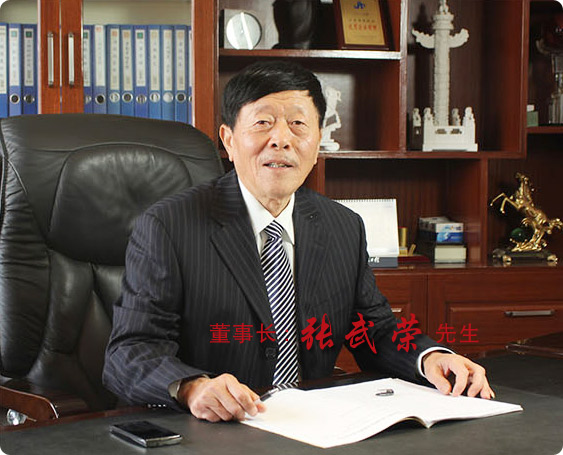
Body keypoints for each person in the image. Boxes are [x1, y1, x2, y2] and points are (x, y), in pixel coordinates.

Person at [103, 61, 493, 423]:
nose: (281, 140)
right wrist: (192, 387)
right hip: (211, 430)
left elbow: (373, 329)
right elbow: (129, 353)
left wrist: (430, 357)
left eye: (297, 124)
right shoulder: (169, 226)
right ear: (229, 140)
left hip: (312, 426)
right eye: (263, 123)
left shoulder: (343, 226)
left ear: (318, 141)